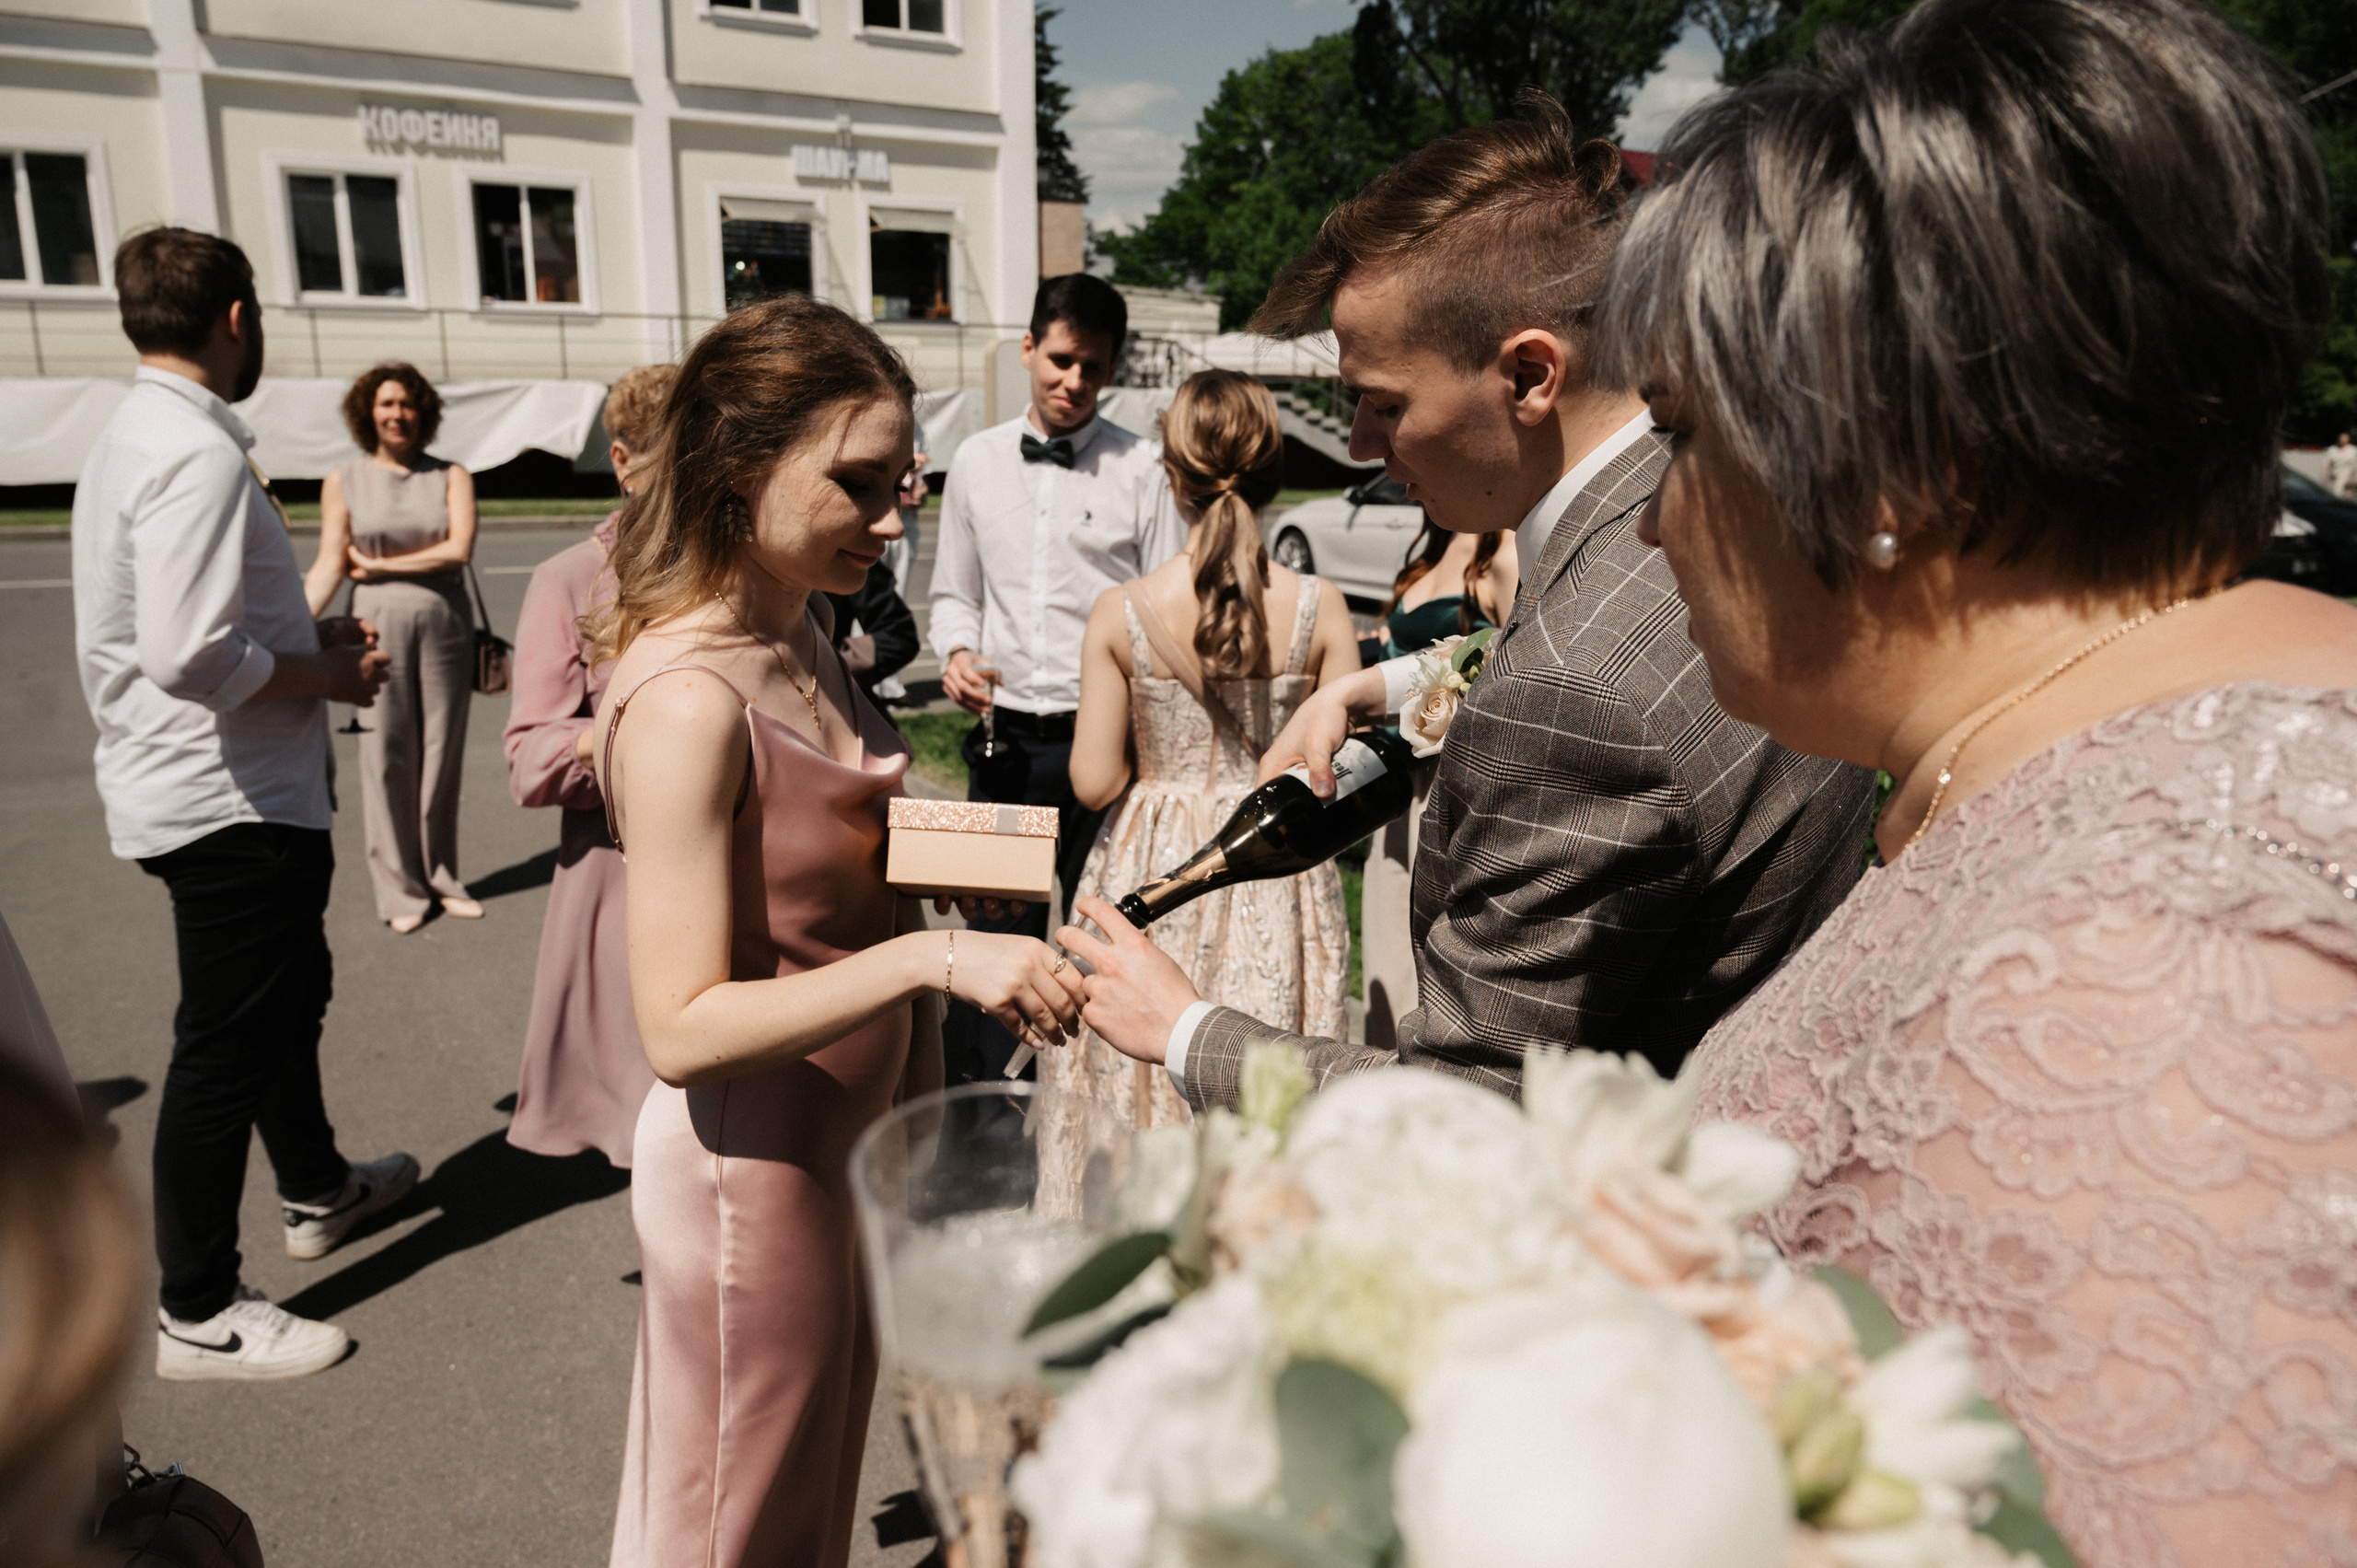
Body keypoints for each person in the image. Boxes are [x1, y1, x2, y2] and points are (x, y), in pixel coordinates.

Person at [1590, 1, 2357, 1560]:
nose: (1654, 525)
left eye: (1678, 434)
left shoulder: (2154, 952)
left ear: (1893, 460)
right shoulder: (2116, 766)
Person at [1061, 101, 1878, 1108]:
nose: (1358, 444)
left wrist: (1185, 1028)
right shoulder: (1726, 499)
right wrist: (1396, 682)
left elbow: (1462, 1106)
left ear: (1531, 374)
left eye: (1384, 402)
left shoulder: (1573, 695)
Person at [591, 296, 1086, 1568]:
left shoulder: (800, 619)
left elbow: (837, 820)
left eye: (902, 484)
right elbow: (682, 1023)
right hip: (754, 1177)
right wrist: (933, 954)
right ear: (736, 467)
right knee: (732, 1523)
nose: (893, 519)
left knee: (805, 1501)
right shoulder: (690, 699)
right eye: (858, 485)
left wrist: (1002, 869)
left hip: (844, 1140)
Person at [71, 226, 416, 1382]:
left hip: (219, 784)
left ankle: (317, 1184)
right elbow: (182, 649)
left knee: (281, 1000)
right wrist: (320, 672)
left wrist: (295, 640)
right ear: (234, 317)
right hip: (227, 800)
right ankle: (198, 1305)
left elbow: (185, 627)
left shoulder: (141, 435)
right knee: (226, 1043)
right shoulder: (195, 453)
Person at [1051, 370, 1360, 1132]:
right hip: (1277, 859)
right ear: (1272, 472)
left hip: (1159, 866)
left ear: (1170, 474)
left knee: (1137, 1075)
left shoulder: (1121, 611)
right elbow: (1346, 775)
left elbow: (1093, 782)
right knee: (1266, 1077)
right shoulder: (1322, 607)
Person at [928, 273, 1186, 1086]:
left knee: (1097, 933)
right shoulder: (974, 459)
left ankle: (1081, 1111)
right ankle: (977, 1112)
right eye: (1063, 360)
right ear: (1029, 347)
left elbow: (1163, 611)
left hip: (1107, 749)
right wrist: (957, 653)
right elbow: (952, 592)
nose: (1075, 383)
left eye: (1095, 369)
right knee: (988, 931)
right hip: (1002, 741)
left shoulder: (1142, 468)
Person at [501, 363, 674, 1168]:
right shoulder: (567, 580)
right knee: (648, 1134)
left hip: (747, 880)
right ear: (623, 460)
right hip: (619, 883)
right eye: (678, 455)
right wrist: (625, 729)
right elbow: (530, 759)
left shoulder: (752, 574)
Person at [305, 362, 482, 934]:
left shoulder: (451, 475)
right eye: (385, 404)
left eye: (406, 403)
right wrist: (289, 626)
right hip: (374, 625)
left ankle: (442, 876)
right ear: (368, 413)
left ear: (422, 411)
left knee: (440, 753)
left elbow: (457, 551)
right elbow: (331, 563)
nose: (396, 414)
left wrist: (380, 565)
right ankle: (402, 892)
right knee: (384, 754)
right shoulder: (344, 479)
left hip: (444, 625)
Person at [1361, 519, 1519, 1046]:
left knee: (1427, 968)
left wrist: (1425, 704)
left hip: (1446, 785)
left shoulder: (1504, 550)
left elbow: (1512, 663)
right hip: (1397, 782)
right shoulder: (1436, 542)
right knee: (1385, 952)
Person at [825, 559, 921, 709]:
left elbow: (898, 635)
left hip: (839, 708)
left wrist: (831, 672)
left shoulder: (846, 555)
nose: (894, 534)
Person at [2325, 429, 2357, 498]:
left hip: (2347, 475)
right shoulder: (2333, 449)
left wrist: (2353, 478)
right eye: (2341, 437)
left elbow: (2354, 465)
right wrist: (2324, 476)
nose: (2342, 439)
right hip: (2334, 474)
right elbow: (2327, 464)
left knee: (2340, 494)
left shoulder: (2353, 450)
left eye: (2345, 438)